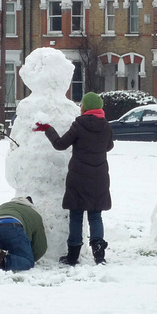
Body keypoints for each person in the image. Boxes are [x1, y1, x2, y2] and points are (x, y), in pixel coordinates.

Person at [34, 92, 114, 266]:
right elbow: (109, 146)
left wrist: (48, 129)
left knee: (76, 214)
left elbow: (60, 145)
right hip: (99, 177)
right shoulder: (106, 126)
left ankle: (72, 256)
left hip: (78, 177)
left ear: (84, 107)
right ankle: (99, 255)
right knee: (95, 214)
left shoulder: (79, 125)